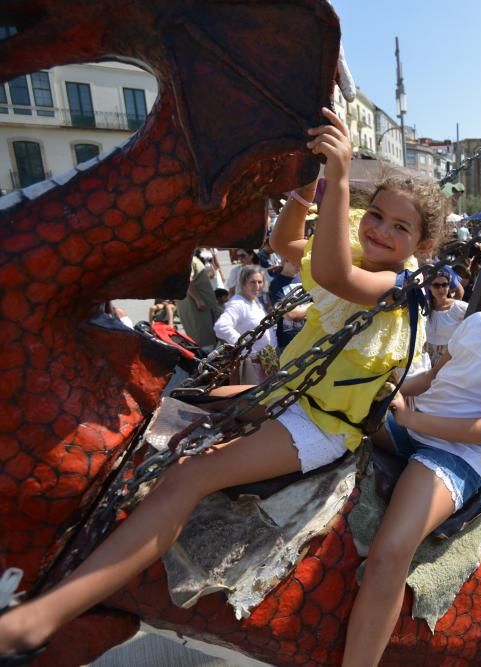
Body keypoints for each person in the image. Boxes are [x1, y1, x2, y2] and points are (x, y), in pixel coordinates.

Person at [0, 108, 446, 662]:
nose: (379, 229)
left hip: (319, 425)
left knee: (188, 477)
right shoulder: (359, 255)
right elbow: (287, 246)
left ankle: (43, 617)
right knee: (164, 418)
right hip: (287, 395)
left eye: (399, 227)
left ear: (421, 246)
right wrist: (307, 190)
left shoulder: (395, 286)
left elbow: (332, 276)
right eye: (376, 215)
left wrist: (338, 173)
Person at [345, 244, 481, 666]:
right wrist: (387, 387)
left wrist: (412, 423)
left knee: (391, 551)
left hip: (457, 454)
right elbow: (433, 377)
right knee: (329, 414)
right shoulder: (477, 323)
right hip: (416, 423)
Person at [213, 265, 277, 384]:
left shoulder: (255, 301)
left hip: (266, 360)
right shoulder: (238, 304)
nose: (257, 286)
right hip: (252, 365)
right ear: (243, 283)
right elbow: (221, 326)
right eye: (252, 282)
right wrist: (243, 345)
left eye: (260, 282)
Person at [176, 251, 224, 349]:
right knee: (206, 340)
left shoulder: (183, 258)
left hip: (195, 307)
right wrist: (198, 300)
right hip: (199, 308)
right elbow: (187, 280)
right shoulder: (188, 259)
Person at [424, 268, 469, 367]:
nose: (441, 289)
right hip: (426, 358)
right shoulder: (424, 308)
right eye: (436, 285)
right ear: (430, 287)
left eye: (444, 285)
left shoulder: (460, 307)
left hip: (449, 359)